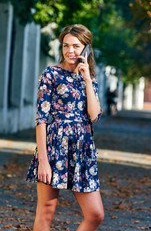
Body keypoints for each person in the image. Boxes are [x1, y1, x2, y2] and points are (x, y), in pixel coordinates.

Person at [26, 24, 104, 231]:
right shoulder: (51, 74)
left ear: (86, 49)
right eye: (66, 46)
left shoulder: (90, 79)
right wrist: (43, 161)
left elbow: (94, 116)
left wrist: (87, 78)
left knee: (95, 214)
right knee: (46, 210)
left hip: (83, 150)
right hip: (54, 147)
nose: (70, 51)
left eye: (76, 46)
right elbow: (41, 119)